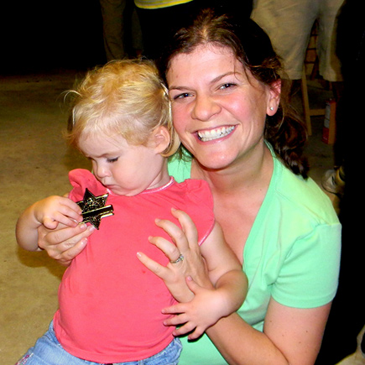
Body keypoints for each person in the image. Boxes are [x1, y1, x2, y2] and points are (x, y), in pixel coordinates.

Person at [19, 8, 341, 364]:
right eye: (183, 94)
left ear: (271, 94)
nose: (203, 110)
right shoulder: (145, 171)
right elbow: (87, 217)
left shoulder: (310, 226)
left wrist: (198, 289)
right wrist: (56, 233)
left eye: (226, 85)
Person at [15, 59, 247, 364]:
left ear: (157, 140)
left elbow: (231, 273)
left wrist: (217, 302)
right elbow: (29, 242)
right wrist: (35, 215)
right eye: (92, 159)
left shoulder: (186, 209)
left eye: (111, 158)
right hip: (66, 347)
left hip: (149, 357)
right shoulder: (99, 200)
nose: (100, 171)